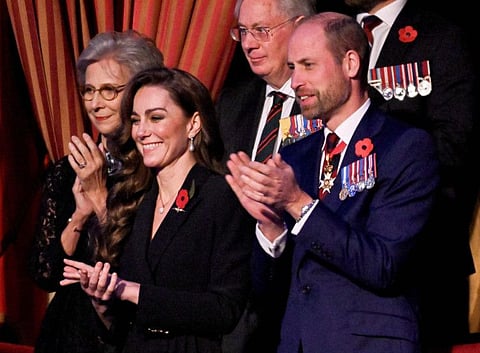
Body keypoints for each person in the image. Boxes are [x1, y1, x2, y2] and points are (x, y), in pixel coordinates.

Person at [226, 12, 440, 353]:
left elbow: (383, 264)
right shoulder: (296, 155)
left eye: (308, 66)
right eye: (293, 67)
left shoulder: (404, 147)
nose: (295, 82)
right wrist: (270, 229)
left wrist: (297, 203)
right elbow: (269, 292)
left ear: (350, 63)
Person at [60, 67, 256, 353]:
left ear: (193, 124)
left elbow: (225, 309)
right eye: (136, 120)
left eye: (156, 118)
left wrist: (128, 290)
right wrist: (102, 300)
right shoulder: (133, 199)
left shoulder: (220, 196)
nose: (141, 132)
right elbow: (119, 323)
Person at [343, 0, 478, 350]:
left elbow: (455, 143)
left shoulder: (440, 36)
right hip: (340, 258)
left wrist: (371, 180)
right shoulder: (332, 35)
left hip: (420, 255)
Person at [29, 30, 165, 353]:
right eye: (88, 90)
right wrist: (80, 214)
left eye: (108, 90)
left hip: (122, 338)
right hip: (64, 336)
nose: (94, 103)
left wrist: (100, 195)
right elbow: (44, 273)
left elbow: (140, 270)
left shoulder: (156, 170)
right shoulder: (68, 169)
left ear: (139, 92)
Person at [216, 0, 318, 164]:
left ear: (300, 27)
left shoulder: (328, 98)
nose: (248, 44)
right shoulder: (232, 104)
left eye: (261, 30)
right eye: (243, 31)